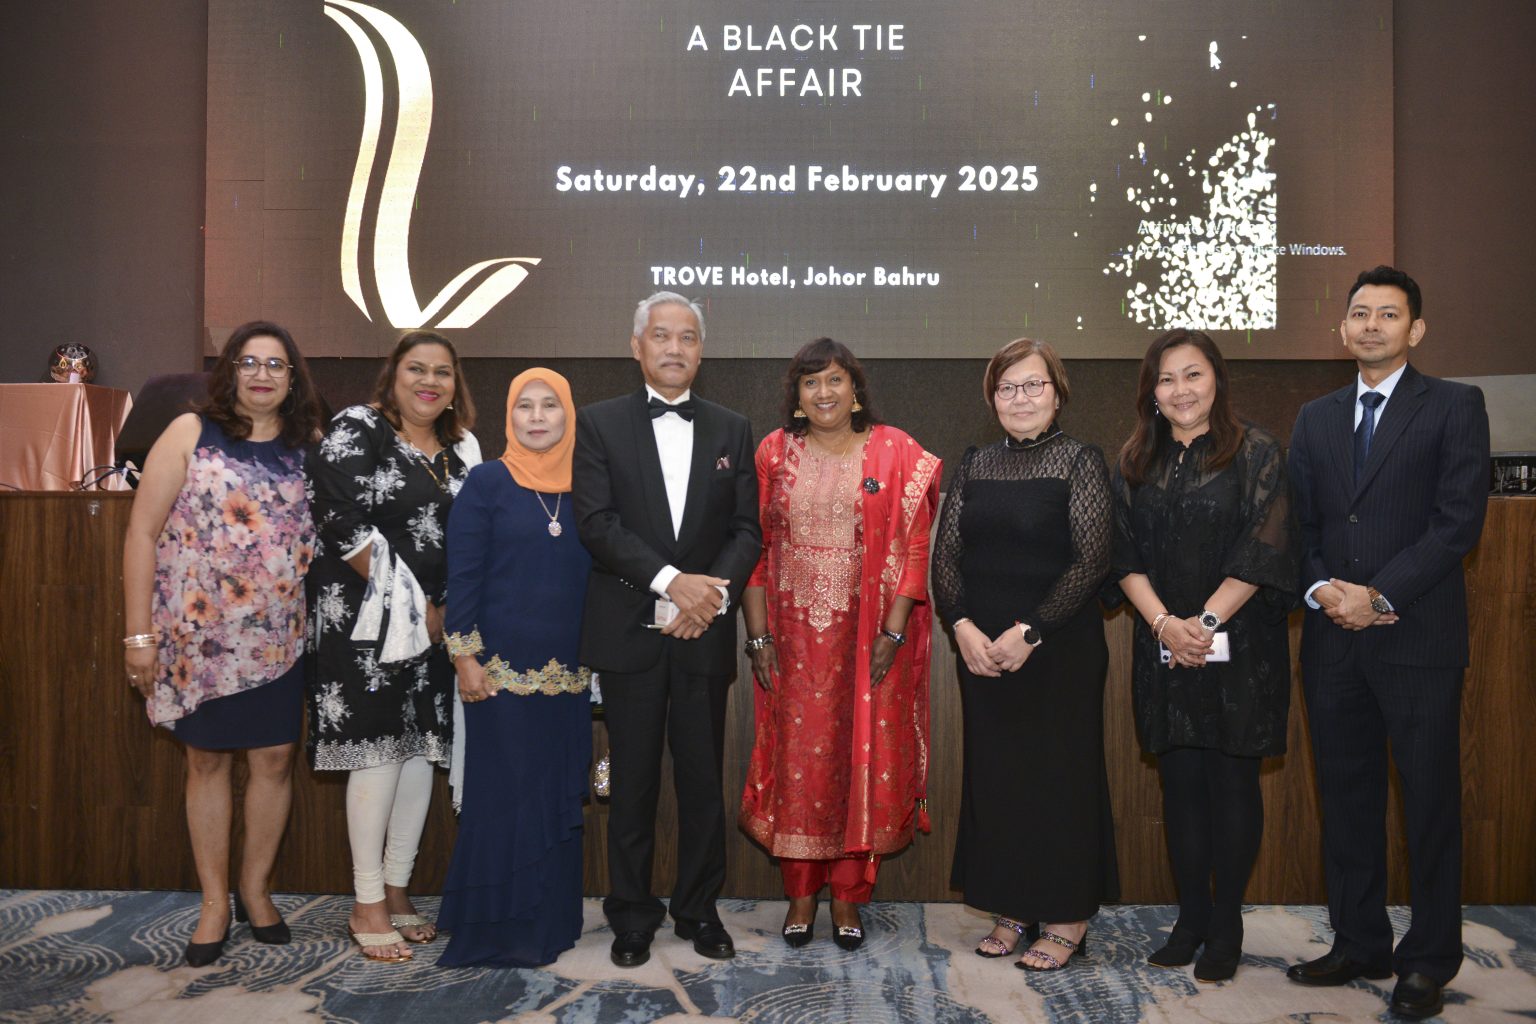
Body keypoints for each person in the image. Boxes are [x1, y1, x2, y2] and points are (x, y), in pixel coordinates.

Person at [1286, 266, 1489, 1019]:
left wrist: (1377, 597)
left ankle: (1429, 961)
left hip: (1416, 639)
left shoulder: (1456, 405)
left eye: (1389, 314)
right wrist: (1323, 591)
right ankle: (1359, 942)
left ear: (1416, 329)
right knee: (1346, 801)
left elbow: (1458, 523)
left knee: (1430, 804)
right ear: (1342, 328)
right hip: (1333, 642)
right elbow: (1300, 527)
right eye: (1360, 313)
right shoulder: (1315, 417)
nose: (1371, 325)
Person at [121, 321, 324, 966]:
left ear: (292, 379)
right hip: (197, 639)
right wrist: (139, 635)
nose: (262, 374)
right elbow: (141, 534)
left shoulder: (309, 446)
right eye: (249, 362)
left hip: (277, 640)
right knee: (206, 762)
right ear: (230, 371)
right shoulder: (190, 432)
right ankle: (214, 902)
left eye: (276, 364)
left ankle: (255, 890)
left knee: (274, 760)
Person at [572, 292, 761, 968]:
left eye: (687, 337)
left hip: (704, 632)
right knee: (633, 784)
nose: (674, 347)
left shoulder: (733, 428)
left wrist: (706, 597)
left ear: (701, 351)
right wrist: (670, 582)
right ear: (637, 346)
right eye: (661, 335)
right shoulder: (598, 423)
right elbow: (596, 524)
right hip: (629, 631)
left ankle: (699, 910)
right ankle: (631, 914)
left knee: (704, 783)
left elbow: (747, 531)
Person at [739, 339, 941, 951]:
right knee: (800, 767)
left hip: (869, 642)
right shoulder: (773, 453)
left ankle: (850, 896)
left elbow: (915, 548)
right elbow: (754, 550)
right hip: (794, 643)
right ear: (796, 397)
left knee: (863, 760)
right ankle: (801, 895)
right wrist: (759, 637)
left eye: (834, 380)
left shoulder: (895, 449)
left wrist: (893, 633)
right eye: (810, 382)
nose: (823, 392)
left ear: (855, 389)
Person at [1109, 329, 1298, 982]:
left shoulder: (1257, 451)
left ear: (1216, 379)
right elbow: (1121, 554)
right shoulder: (1134, 460)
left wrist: (1206, 623)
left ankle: (1227, 925)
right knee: (1182, 784)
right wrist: (1166, 625)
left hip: (1240, 648)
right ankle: (1191, 918)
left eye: (1192, 375)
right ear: (1151, 393)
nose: (1180, 390)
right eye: (1166, 379)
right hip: (1163, 645)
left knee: (1232, 783)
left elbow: (1265, 544)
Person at [934, 337, 1118, 972]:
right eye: (1007, 387)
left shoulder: (1080, 461)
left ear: (1057, 393)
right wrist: (960, 626)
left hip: (1058, 651)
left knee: (1059, 780)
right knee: (1000, 781)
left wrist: (1030, 631)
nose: (1020, 398)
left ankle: (1066, 916)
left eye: (1034, 385)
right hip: (983, 654)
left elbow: (1092, 560)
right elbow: (946, 556)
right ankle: (1013, 907)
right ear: (992, 398)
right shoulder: (975, 463)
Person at [306, 330, 481, 963]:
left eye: (442, 372)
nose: (429, 381)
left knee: (418, 755)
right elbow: (338, 516)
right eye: (416, 369)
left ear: (455, 385)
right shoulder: (360, 428)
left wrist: (449, 612)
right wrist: (415, 607)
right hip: (366, 623)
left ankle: (398, 887)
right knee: (378, 754)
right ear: (393, 375)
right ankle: (366, 900)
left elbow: (473, 537)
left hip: (437, 627)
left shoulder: (462, 451)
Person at [436, 368, 593, 968]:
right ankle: (499, 931)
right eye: (524, 406)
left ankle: (549, 922)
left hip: (569, 678)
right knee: (506, 799)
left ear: (568, 415)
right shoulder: (486, 482)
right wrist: (464, 656)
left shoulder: (588, 487)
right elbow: (463, 577)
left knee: (554, 796)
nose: (536, 417)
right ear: (509, 416)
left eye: (549, 405)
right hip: (498, 677)